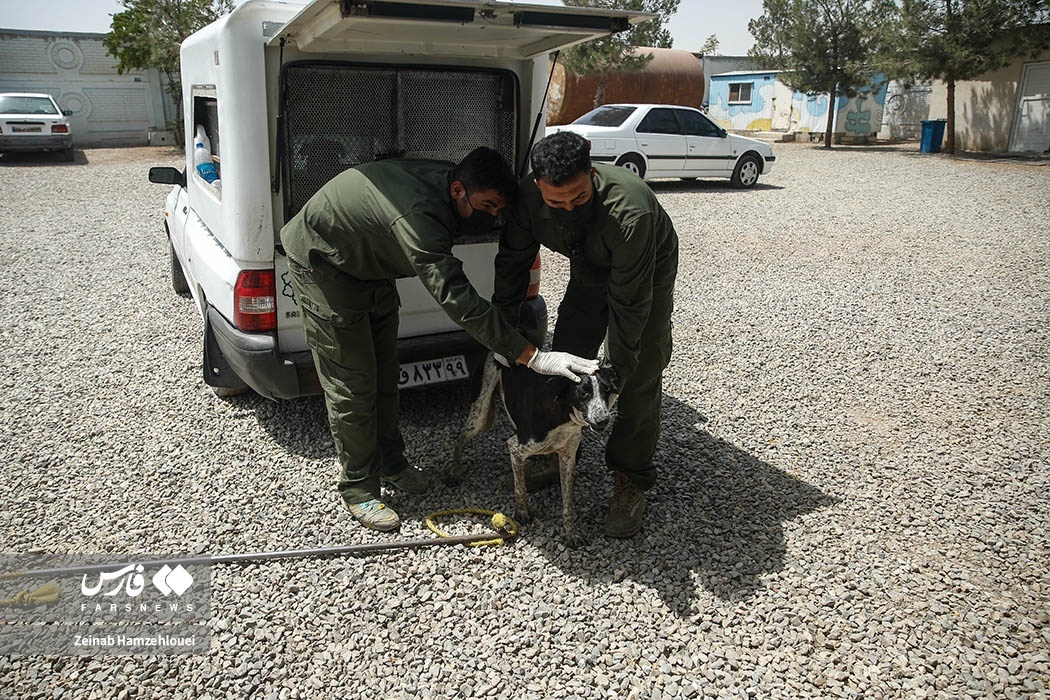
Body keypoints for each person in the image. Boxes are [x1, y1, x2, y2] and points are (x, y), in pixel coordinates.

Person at [280, 147, 598, 532]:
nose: (493, 215)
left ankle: (391, 463)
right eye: (487, 205)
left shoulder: (450, 187)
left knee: (385, 371)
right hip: (323, 263)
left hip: (367, 265)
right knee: (353, 383)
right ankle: (359, 487)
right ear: (459, 191)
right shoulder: (419, 216)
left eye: (500, 209)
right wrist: (530, 355)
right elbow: (455, 296)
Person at [494, 132, 679, 539]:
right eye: (555, 203)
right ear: (538, 186)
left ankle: (631, 476)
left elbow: (629, 308)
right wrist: (504, 332)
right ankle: (552, 447)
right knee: (570, 350)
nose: (567, 209)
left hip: (643, 270)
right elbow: (512, 264)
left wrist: (608, 381)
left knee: (639, 368)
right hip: (589, 265)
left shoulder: (630, 214)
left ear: (591, 175)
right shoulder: (527, 198)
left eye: (578, 199)